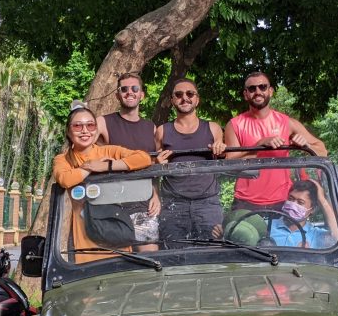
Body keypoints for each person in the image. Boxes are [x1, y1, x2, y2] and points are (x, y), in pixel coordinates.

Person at [52, 106, 153, 263]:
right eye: (78, 126)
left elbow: (144, 158)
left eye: (90, 125)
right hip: (85, 234)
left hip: (115, 229)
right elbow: (65, 179)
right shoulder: (62, 159)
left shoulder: (109, 151)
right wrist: (90, 167)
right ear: (68, 131)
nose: (85, 130)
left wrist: (108, 166)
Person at [224, 70, 327, 211]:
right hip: (245, 202)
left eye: (263, 87)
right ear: (245, 94)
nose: (258, 91)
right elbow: (229, 165)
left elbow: (322, 151)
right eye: (252, 89)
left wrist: (305, 145)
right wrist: (258, 145)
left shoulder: (287, 122)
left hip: (283, 201)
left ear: (270, 91)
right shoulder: (234, 124)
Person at [155, 79, 228, 247]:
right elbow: (155, 168)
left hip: (208, 203)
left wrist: (221, 149)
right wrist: (157, 163)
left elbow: (223, 155)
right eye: (178, 95)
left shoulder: (213, 128)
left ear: (197, 99)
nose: (184, 98)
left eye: (190, 94)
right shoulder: (162, 131)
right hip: (174, 205)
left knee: (212, 254)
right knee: (173, 256)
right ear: (172, 100)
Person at [95, 72, 163, 248]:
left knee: (150, 259)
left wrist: (156, 194)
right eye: (124, 89)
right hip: (111, 205)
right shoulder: (102, 122)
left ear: (142, 94)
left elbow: (153, 167)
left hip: (143, 204)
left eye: (134, 88)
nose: (129, 92)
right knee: (114, 265)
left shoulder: (151, 127)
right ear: (118, 95)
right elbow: (83, 148)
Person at [267, 179, 336, 248]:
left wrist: (322, 199)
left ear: (312, 209)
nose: (293, 204)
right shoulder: (266, 225)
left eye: (300, 202)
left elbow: (337, 237)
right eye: (290, 199)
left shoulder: (316, 236)